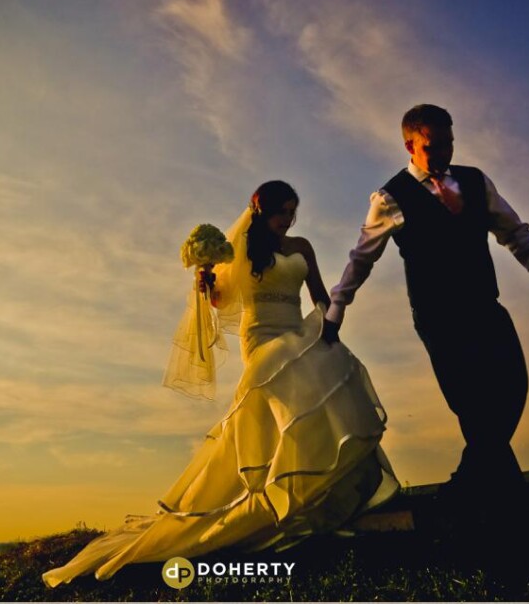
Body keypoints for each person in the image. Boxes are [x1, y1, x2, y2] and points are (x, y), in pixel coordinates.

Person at [42, 181, 398, 587]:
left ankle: (317, 498)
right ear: (261, 212)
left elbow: (319, 296)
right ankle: (260, 504)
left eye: (292, 212)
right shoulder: (240, 251)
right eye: (281, 212)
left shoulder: (302, 247)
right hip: (262, 340)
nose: (287, 220)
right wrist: (207, 283)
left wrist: (328, 328)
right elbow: (221, 301)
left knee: (327, 383)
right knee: (288, 399)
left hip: (299, 331)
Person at [321, 104, 529, 510]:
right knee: (473, 406)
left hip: (483, 303)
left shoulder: (474, 181)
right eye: (434, 146)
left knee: (513, 387)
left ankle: (462, 488)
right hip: (438, 316)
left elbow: (513, 231)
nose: (444, 153)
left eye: (449, 143)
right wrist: (337, 308)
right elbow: (361, 258)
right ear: (411, 144)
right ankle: (501, 507)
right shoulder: (390, 198)